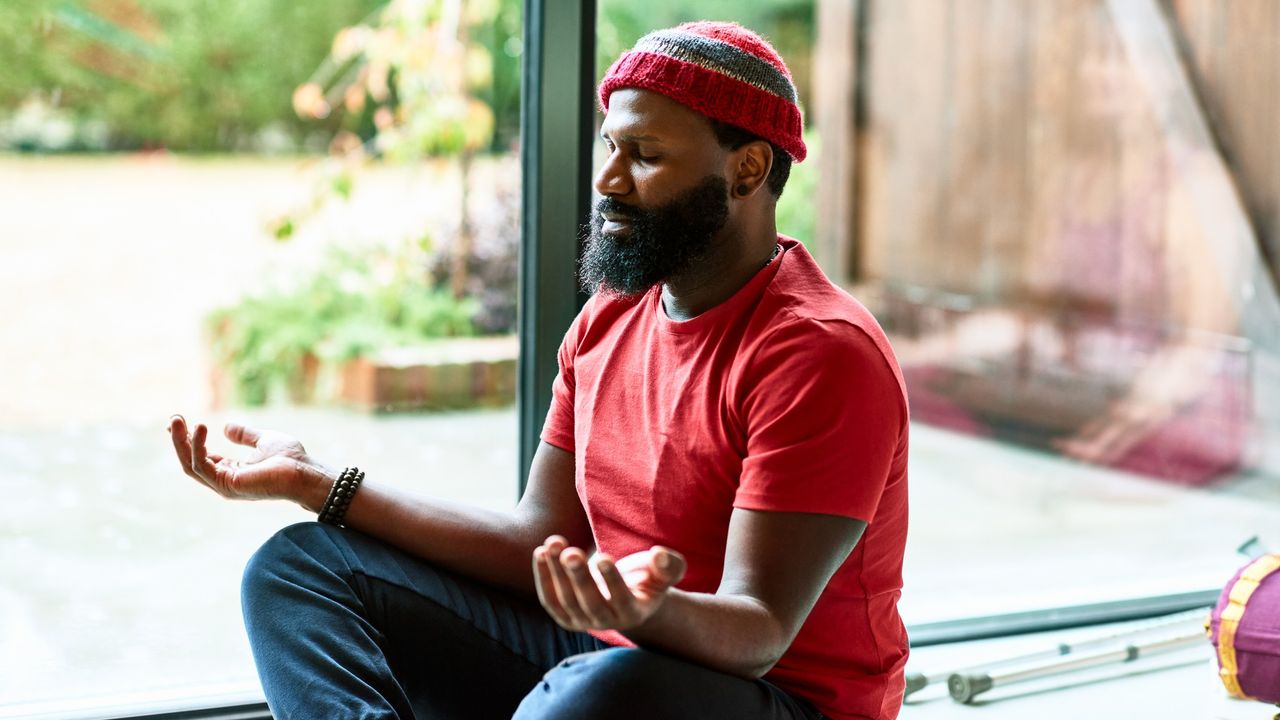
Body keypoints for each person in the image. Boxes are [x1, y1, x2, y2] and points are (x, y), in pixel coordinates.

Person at [169, 21, 909, 720]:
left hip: (773, 700)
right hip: (608, 655)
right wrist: (318, 483)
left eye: (645, 155)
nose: (609, 181)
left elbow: (758, 632)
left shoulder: (819, 352)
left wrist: (642, 610)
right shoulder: (608, 320)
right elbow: (538, 538)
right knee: (301, 569)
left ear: (746, 169)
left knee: (597, 694)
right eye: (609, 149)